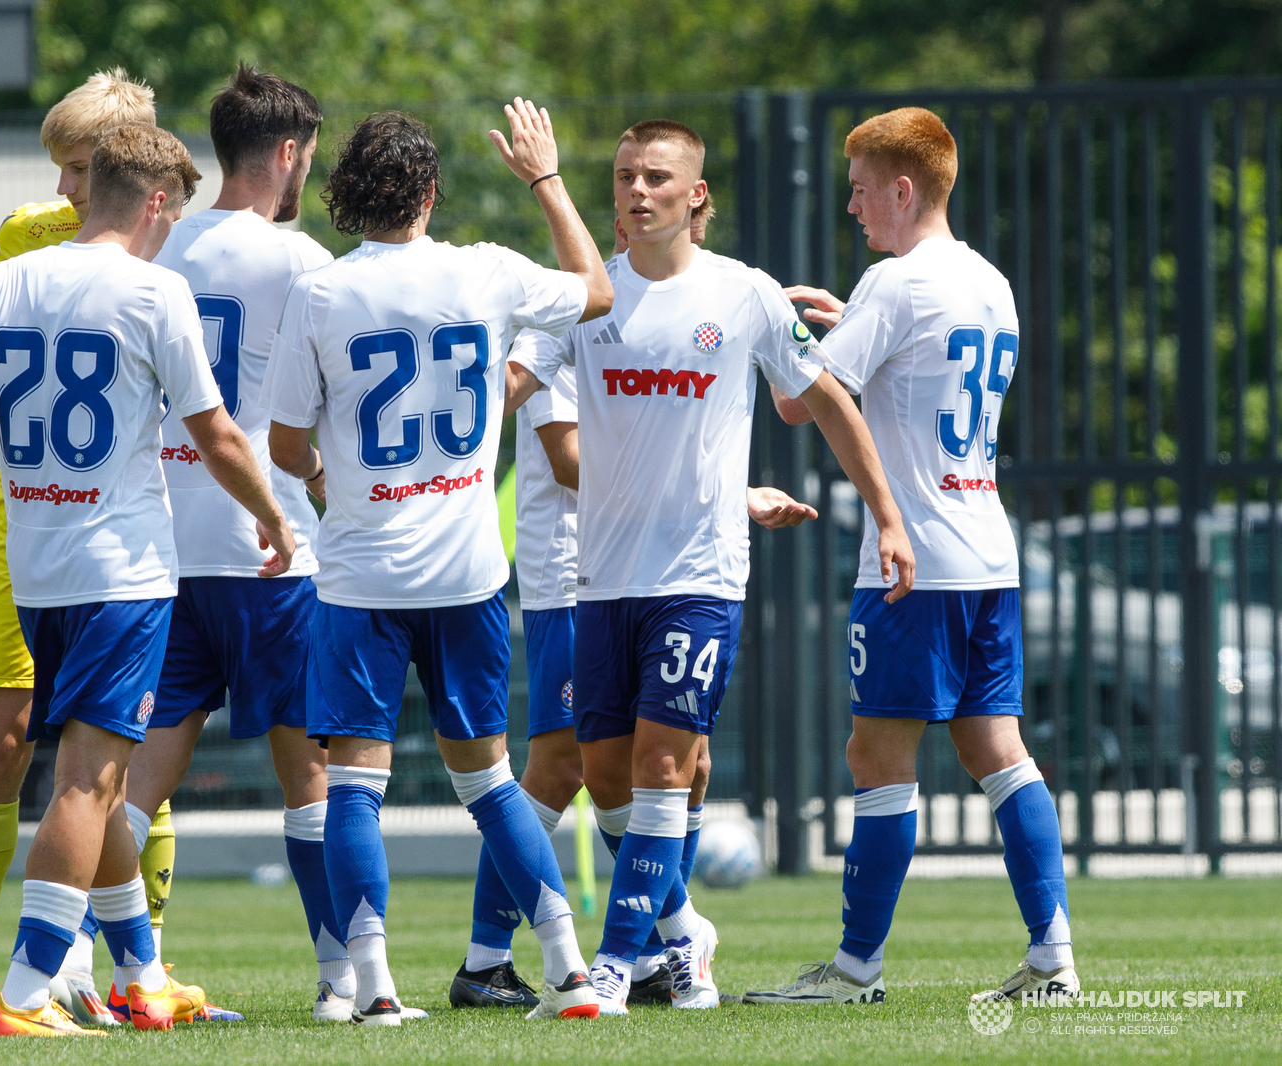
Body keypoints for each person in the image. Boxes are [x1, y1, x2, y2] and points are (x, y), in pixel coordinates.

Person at [0, 124, 296, 1037]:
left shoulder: (0, 281)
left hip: (39, 570)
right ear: (158, 204)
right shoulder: (154, 290)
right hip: (123, 572)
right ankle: (21, 993)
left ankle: (142, 976)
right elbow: (215, 434)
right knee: (88, 784)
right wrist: (273, 513)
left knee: (104, 777)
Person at [506, 118, 915, 1016]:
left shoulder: (744, 294)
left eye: (655, 177)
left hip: (700, 576)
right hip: (602, 581)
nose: (635, 192)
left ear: (695, 196)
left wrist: (888, 516)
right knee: (605, 776)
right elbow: (504, 390)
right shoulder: (585, 298)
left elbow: (828, 401)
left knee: (662, 766)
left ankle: (613, 966)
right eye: (621, 178)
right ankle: (684, 930)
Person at [264, 101, 614, 1025]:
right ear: (428, 189)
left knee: (355, 786)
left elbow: (286, 440)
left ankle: (373, 984)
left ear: (349, 193)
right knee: (490, 782)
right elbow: (596, 288)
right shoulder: (485, 273)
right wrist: (543, 177)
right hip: (466, 576)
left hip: (360, 577)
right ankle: (570, 971)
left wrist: (331, 483)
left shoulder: (323, 293)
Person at [743, 107, 1078, 1007]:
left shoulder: (895, 284)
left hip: (913, 560)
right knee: (1000, 751)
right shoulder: (990, 282)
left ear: (903, 189)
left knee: (876, 757)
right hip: (987, 553)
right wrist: (855, 321)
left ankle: (855, 970)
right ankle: (1055, 957)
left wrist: (782, 330)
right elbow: (925, 373)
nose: (852, 208)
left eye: (859, 190)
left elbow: (801, 404)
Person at [453, 188, 811, 1011]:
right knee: (562, 761)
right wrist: (726, 492)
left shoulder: (692, 302)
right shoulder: (578, 320)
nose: (627, 224)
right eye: (616, 206)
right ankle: (633, 937)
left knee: (681, 762)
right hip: (571, 569)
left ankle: (657, 941)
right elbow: (571, 459)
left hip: (659, 567)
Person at [0, 68, 166, 1030]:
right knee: (6, 738)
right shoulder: (24, 240)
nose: (62, 192)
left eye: (76, 169)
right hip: (23, 534)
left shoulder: (162, 234)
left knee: (127, 753)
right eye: (59, 168)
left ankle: (131, 968)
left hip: (125, 543)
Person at [132, 64, 347, 1021]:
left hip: (165, 550)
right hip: (273, 553)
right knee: (314, 778)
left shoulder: (159, 244)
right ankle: (344, 977)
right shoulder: (299, 262)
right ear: (290, 153)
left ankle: (93, 970)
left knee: (131, 779)